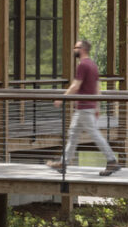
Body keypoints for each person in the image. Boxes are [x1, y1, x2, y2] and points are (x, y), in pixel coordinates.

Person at [47, 38, 121, 176]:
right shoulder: (93, 65)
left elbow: (76, 85)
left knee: (94, 134)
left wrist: (62, 99)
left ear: (83, 49)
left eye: (76, 48)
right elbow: (98, 87)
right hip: (88, 106)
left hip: (84, 108)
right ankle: (63, 163)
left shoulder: (83, 65)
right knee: (73, 134)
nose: (74, 50)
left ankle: (112, 160)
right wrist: (97, 107)